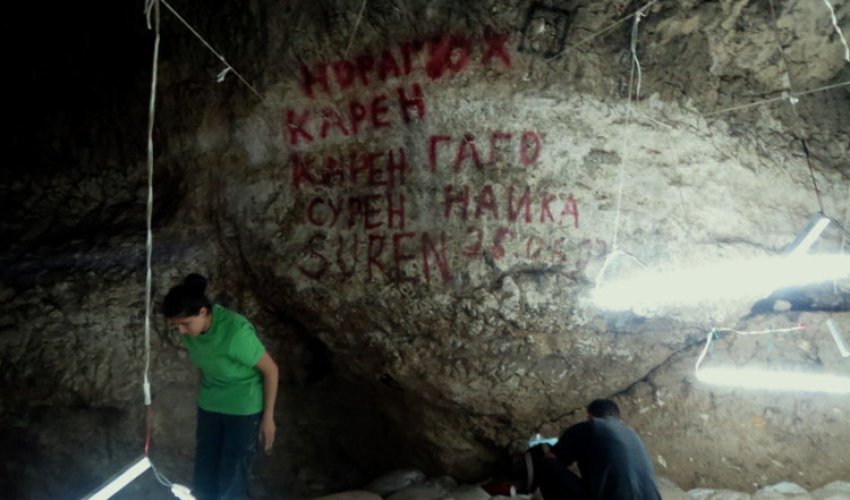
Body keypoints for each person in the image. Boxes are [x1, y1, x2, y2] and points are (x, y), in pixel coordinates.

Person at [164, 273, 279, 500]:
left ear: (203, 312)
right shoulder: (191, 333)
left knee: (232, 476)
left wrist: (268, 417)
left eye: (185, 324)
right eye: (176, 326)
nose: (181, 332)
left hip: (243, 409)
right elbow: (205, 365)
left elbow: (271, 370)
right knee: (205, 472)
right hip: (210, 406)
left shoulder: (235, 332)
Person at [527, 399, 661, 500]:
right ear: (617, 418)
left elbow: (553, 457)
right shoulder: (632, 435)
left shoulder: (590, 426)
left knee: (547, 464)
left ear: (590, 416)